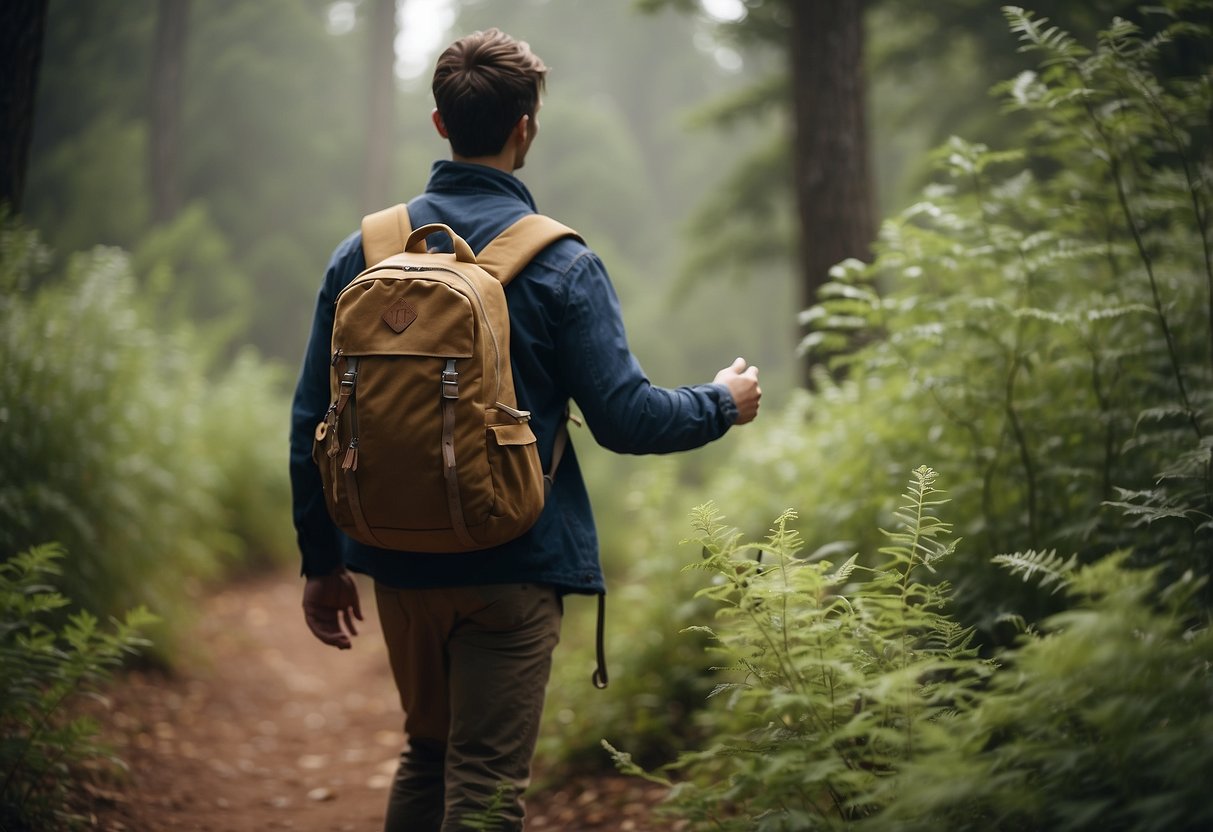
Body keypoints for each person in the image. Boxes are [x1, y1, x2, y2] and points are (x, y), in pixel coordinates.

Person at [288, 27, 761, 832]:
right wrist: (722, 401)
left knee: (426, 757)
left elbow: (311, 421)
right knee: (484, 780)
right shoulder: (560, 264)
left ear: (440, 124)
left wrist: (320, 562)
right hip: (513, 562)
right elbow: (625, 419)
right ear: (526, 127)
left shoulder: (363, 254)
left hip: (396, 560)